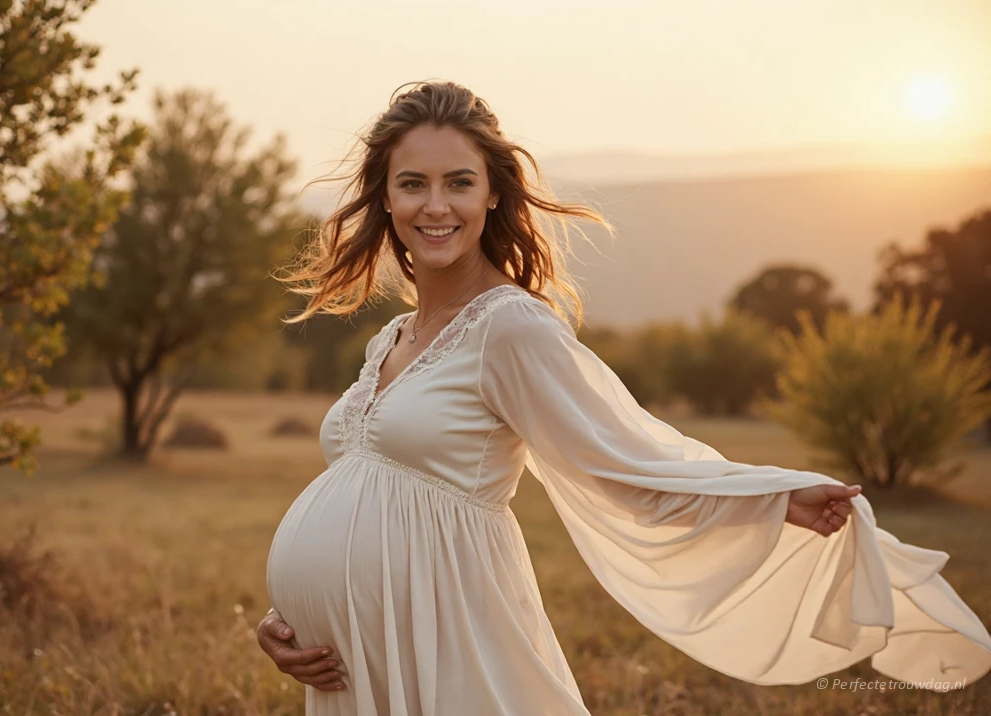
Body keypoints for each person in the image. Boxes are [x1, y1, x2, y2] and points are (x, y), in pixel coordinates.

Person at [262, 81, 991, 715]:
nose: (436, 204)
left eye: (458, 181)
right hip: (356, 657)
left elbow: (621, 458)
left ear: (492, 192)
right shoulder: (390, 338)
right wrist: (290, 615)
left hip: (445, 632)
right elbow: (363, 493)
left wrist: (773, 498)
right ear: (386, 198)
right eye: (413, 183)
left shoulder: (509, 325)